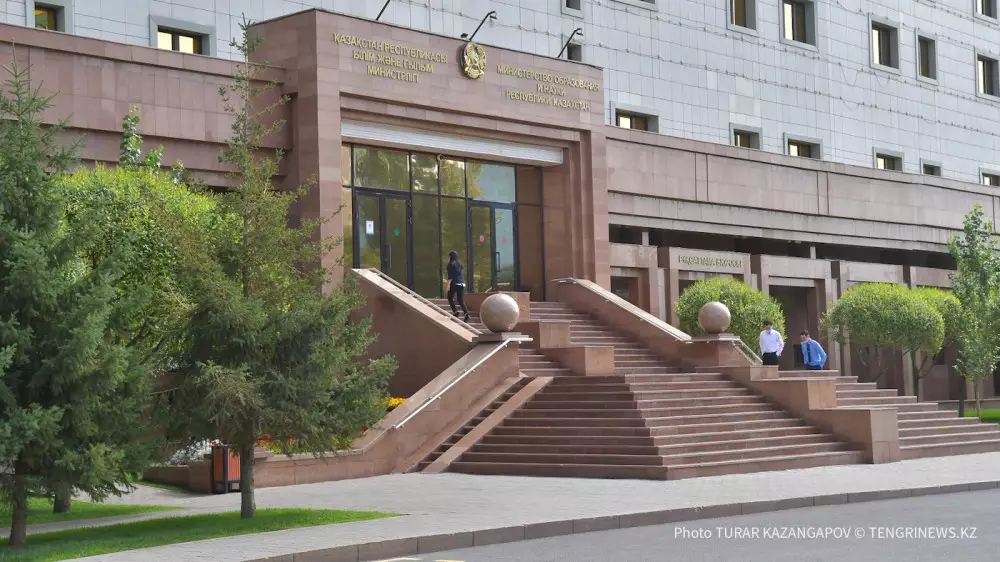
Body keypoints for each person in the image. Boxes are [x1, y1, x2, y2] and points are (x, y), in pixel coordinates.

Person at [446, 251, 470, 322]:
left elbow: (450, 276)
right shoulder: (460, 263)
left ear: (450, 257)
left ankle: (455, 312)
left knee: (450, 297)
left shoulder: (450, 264)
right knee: (460, 300)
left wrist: (448, 285)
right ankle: (466, 314)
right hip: (462, 283)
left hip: (455, 283)